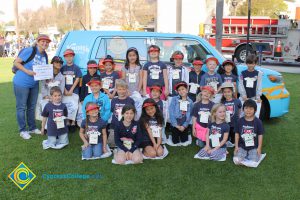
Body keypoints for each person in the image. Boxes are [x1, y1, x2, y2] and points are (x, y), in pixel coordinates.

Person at [13, 34, 51, 139]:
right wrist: (27, 71)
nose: (45, 43)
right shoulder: (30, 50)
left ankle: (32, 128)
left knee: (31, 107)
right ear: (38, 42)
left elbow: (43, 71)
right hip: (21, 82)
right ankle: (22, 130)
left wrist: (47, 78)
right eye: (42, 41)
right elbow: (16, 63)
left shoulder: (45, 55)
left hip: (34, 84)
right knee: (21, 107)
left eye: (47, 42)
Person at [234, 99, 264, 163]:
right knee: (236, 160)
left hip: (253, 146)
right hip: (242, 146)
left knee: (254, 160)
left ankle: (248, 155)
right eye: (246, 108)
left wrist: (259, 148)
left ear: (255, 110)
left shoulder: (258, 122)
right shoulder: (239, 121)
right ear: (243, 109)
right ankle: (245, 154)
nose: (248, 110)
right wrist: (236, 146)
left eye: (251, 109)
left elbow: (260, 135)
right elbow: (236, 134)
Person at [60, 48, 82, 131]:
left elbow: (77, 79)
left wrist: (71, 90)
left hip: (74, 91)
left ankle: (73, 122)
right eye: (67, 56)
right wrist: (65, 89)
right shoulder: (62, 68)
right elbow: (60, 79)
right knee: (66, 105)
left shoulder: (76, 68)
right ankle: (67, 122)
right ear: (64, 58)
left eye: (71, 56)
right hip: (65, 90)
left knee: (74, 106)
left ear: (73, 57)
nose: (69, 58)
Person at [220, 82, 242, 146]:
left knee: (234, 140)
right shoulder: (222, 102)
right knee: (226, 138)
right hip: (226, 124)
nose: (227, 94)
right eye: (225, 92)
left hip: (235, 123)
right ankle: (227, 139)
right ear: (223, 93)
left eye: (228, 91)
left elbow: (239, 109)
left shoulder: (237, 101)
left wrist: (238, 116)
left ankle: (232, 140)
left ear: (232, 92)